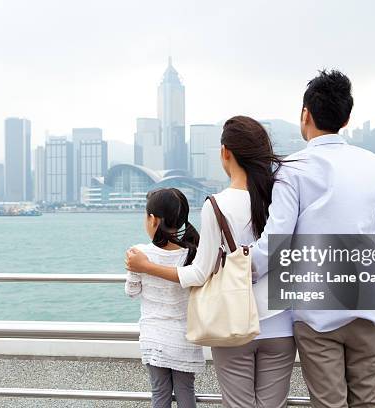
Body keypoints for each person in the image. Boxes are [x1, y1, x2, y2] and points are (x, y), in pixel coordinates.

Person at [250, 70, 375, 408]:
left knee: (328, 404)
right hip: (369, 308)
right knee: (367, 403)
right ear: (347, 118)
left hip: (314, 311)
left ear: (305, 114)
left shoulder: (291, 169)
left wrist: (238, 270)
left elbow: (275, 243)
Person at [126, 116, 297, 408]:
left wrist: (147, 267)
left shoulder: (216, 205)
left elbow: (200, 273)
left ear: (225, 152)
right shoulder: (281, 196)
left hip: (233, 322)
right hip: (281, 323)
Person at [124, 188, 205, 408]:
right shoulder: (191, 253)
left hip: (154, 336)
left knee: (159, 392)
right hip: (184, 337)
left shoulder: (139, 253)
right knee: (186, 391)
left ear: (152, 220)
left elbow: (132, 291)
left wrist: (134, 270)